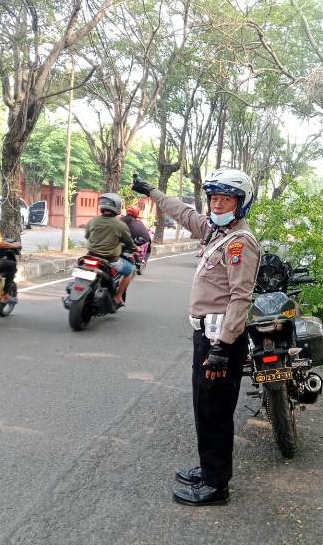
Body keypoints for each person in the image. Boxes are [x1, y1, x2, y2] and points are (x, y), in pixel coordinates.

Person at [132, 168, 260, 506]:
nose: (217, 204)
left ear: (241, 203)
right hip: (206, 336)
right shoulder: (215, 232)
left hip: (221, 341)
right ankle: (207, 468)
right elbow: (183, 212)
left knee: (215, 411)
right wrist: (152, 192)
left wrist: (223, 346)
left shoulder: (240, 242)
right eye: (214, 198)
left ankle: (217, 486)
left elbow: (240, 297)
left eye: (226, 199)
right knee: (204, 406)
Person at [84, 192, 136, 306]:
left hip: (90, 256)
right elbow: (129, 243)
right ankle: (117, 296)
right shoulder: (120, 225)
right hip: (110, 260)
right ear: (117, 206)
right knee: (130, 270)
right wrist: (135, 248)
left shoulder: (93, 221)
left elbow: (87, 236)